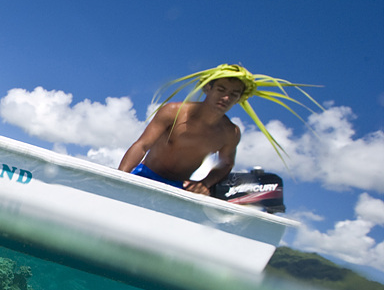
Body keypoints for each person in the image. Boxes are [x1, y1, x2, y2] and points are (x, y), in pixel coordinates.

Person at [119, 63, 319, 195]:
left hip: (180, 187)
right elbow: (142, 145)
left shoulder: (230, 133)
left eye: (234, 94)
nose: (226, 97)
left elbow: (226, 164)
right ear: (208, 88)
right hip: (144, 174)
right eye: (221, 89)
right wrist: (120, 178)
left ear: (239, 99)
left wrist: (205, 183)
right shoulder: (173, 112)